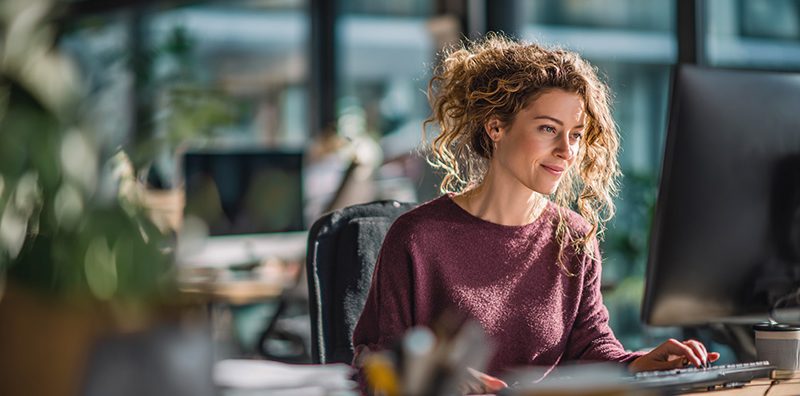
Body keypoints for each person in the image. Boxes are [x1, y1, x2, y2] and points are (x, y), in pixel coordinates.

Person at [351, 34, 719, 392]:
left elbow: (590, 347)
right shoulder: (417, 237)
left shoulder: (574, 236)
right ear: (496, 126)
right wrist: (437, 379)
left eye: (575, 134)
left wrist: (638, 364)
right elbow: (374, 369)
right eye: (548, 129)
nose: (566, 151)